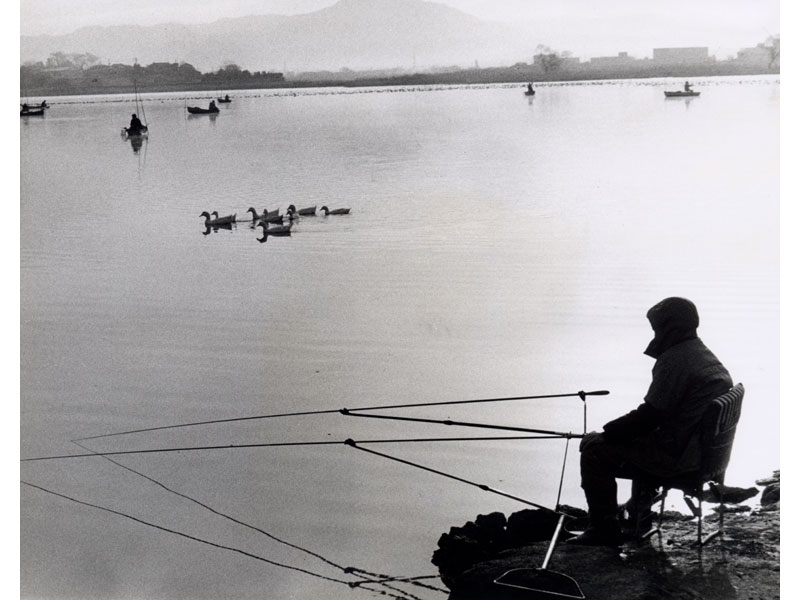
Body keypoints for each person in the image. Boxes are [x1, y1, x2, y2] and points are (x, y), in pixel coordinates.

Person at [569, 297, 733, 546]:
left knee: (595, 452)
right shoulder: (703, 354)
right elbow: (658, 416)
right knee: (637, 440)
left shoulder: (676, 359)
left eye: (657, 328)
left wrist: (605, 433)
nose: (655, 333)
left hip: (677, 460)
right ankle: (638, 515)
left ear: (669, 327)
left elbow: (649, 415)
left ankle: (603, 529)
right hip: (701, 455)